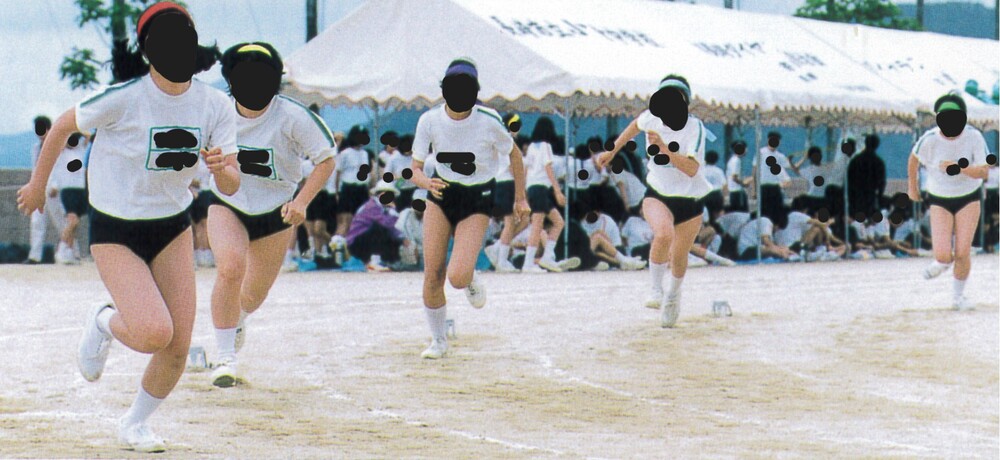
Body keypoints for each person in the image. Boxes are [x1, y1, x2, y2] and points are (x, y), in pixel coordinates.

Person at [16, 2, 237, 451]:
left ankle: (135, 423)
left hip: (171, 226)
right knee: (154, 332)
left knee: (178, 345)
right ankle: (102, 320)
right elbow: (61, 126)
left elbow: (231, 182)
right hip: (116, 229)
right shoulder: (124, 97)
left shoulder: (215, 105)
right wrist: (37, 186)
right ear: (146, 50)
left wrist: (221, 168)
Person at [207, 42, 336, 388]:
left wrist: (302, 202)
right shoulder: (217, 113)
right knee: (230, 267)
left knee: (253, 296)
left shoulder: (292, 116)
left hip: (276, 210)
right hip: (227, 202)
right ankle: (224, 357)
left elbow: (325, 159)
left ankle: (237, 320)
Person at [409, 58, 529, 359]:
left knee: (458, 277)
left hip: (477, 198)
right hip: (441, 194)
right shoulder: (429, 120)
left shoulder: (489, 120)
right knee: (433, 273)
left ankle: (470, 276)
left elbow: (515, 156)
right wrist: (425, 182)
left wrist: (520, 198)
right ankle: (439, 340)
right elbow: (415, 168)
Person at [596, 74, 712, 327]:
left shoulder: (695, 128)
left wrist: (664, 149)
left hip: (690, 199)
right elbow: (633, 127)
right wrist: (612, 151)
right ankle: (655, 289)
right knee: (663, 234)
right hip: (658, 192)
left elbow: (691, 169)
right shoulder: (652, 118)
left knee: (679, 256)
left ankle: (673, 295)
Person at [907, 93, 991, 310]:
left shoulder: (974, 136)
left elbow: (983, 172)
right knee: (943, 254)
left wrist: (959, 168)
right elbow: (914, 160)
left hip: (968, 196)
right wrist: (912, 188)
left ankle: (958, 297)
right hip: (939, 197)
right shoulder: (930, 138)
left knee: (962, 252)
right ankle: (942, 262)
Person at [521, 116, 570, 273]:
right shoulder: (546, 146)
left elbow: (525, 170)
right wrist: (557, 190)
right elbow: (548, 168)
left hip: (532, 188)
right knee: (538, 225)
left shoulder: (531, 148)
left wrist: (523, 193)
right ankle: (528, 263)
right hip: (541, 189)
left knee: (558, 222)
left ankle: (548, 256)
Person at [486, 117, 528, 273]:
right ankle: (502, 260)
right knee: (511, 222)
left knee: (523, 220)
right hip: (507, 184)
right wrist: (522, 189)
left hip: (500, 184)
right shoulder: (507, 142)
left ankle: (498, 248)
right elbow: (513, 167)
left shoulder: (497, 141)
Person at [346, 182, 405, 272]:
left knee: (395, 237)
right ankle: (374, 261)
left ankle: (389, 261)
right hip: (356, 243)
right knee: (379, 229)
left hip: (364, 240)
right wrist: (393, 210)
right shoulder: (372, 206)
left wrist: (403, 239)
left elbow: (393, 229)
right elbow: (386, 224)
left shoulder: (383, 208)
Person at [50, 132, 89, 265]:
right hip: (68, 190)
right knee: (73, 222)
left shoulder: (81, 149)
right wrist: (55, 185)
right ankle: (62, 248)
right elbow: (57, 170)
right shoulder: (61, 152)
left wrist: (78, 130)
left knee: (74, 224)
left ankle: (69, 252)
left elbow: (88, 135)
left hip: (81, 189)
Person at [331, 125, 374, 244]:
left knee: (362, 220)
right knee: (346, 221)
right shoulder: (345, 153)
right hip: (348, 189)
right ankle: (337, 246)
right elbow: (338, 174)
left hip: (362, 189)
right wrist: (337, 192)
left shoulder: (365, 153)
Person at [25, 115, 53, 264]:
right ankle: (35, 256)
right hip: (39, 189)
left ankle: (72, 252)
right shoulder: (36, 148)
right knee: (37, 222)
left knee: (62, 221)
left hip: (55, 189)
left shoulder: (58, 146)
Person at [580, 211, 646, 270]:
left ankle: (625, 261)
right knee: (597, 239)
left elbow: (606, 242)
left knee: (598, 237)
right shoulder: (581, 222)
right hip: (587, 252)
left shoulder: (605, 219)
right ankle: (625, 261)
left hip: (614, 249)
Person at [752, 131, 794, 222]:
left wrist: (792, 160)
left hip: (775, 187)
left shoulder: (780, 156)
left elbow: (792, 167)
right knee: (764, 213)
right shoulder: (761, 152)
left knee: (777, 213)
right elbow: (755, 171)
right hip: (763, 187)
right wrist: (754, 190)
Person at [848, 134, 887, 219]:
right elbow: (881, 183)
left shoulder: (855, 160)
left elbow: (849, 180)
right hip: (870, 197)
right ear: (876, 145)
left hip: (856, 197)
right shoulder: (878, 162)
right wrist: (879, 197)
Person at [189, 161, 215, 268]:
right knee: (198, 226)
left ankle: (205, 254)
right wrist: (193, 185)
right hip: (196, 194)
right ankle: (200, 255)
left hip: (207, 192)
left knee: (205, 225)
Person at [793, 146, 829, 213]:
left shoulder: (825, 168)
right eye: (814, 156)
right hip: (814, 198)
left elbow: (795, 169)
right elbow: (795, 169)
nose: (816, 158)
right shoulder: (810, 169)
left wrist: (805, 158)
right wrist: (804, 158)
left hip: (821, 199)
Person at [701, 150, 726, 218]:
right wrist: (724, 197)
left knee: (704, 215)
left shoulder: (702, 171)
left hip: (704, 194)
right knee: (718, 214)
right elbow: (724, 185)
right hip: (716, 195)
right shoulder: (719, 171)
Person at [726, 141, 749, 211]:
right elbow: (734, 177)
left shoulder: (735, 160)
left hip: (736, 192)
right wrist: (744, 183)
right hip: (737, 192)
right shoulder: (736, 161)